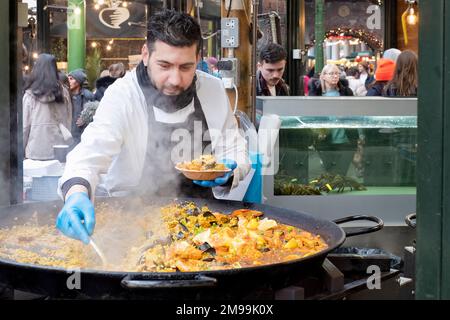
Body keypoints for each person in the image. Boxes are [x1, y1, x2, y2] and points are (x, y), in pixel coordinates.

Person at [56, 10, 251, 244]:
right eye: (165, 65)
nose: (175, 79)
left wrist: (230, 171)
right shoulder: (123, 94)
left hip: (204, 224)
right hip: (132, 223)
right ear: (146, 54)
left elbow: (234, 148)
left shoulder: (213, 90)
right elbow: (89, 154)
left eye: (186, 67)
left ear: (198, 58)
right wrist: (76, 194)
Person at [309, 64, 357, 176]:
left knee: (341, 172)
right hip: (325, 140)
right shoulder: (316, 94)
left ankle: (337, 189)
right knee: (330, 171)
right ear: (323, 76)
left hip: (346, 140)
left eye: (337, 73)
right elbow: (312, 116)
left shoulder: (346, 92)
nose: (335, 76)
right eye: (332, 73)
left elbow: (354, 113)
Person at [23, 54, 72, 160]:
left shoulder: (30, 95)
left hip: (35, 151)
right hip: (59, 149)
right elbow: (68, 121)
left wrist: (21, 150)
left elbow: (25, 127)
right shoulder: (63, 92)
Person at [67, 69, 95, 146]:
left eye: (71, 79)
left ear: (78, 82)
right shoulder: (65, 94)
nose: (68, 81)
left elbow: (95, 114)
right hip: (67, 136)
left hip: (82, 136)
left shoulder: (87, 95)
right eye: (68, 78)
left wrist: (87, 118)